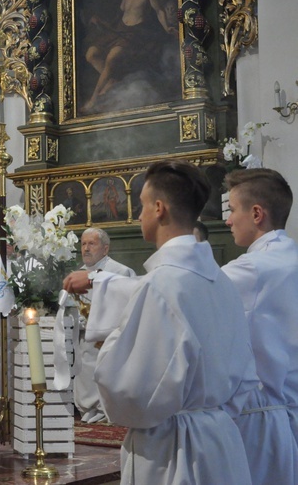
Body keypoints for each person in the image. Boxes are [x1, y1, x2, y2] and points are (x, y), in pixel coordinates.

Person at [63, 159, 258, 484]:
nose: (138, 216)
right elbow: (244, 375)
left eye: (141, 206)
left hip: (174, 451)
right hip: (222, 439)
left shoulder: (162, 285)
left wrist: (110, 341)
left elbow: (129, 394)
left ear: (159, 208)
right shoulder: (221, 281)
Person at [221, 168, 298, 485]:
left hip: (265, 421)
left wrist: (100, 282)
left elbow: (183, 293)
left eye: (232, 210)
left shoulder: (254, 268)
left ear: (256, 214)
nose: (227, 220)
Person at [73, 228, 135, 424]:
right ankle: (88, 408)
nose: (86, 248)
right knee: (84, 365)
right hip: (84, 335)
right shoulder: (79, 274)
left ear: (105, 249)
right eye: (83, 244)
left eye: (92, 244)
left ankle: (106, 408)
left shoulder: (120, 272)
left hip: (109, 337)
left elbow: (128, 305)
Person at [82, 0, 177, 113]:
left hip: (135, 33)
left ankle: (93, 100)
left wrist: (166, 28)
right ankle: (111, 80)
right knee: (91, 54)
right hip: (119, 31)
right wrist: (100, 22)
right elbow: (117, 20)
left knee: (112, 57)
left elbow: (159, 11)